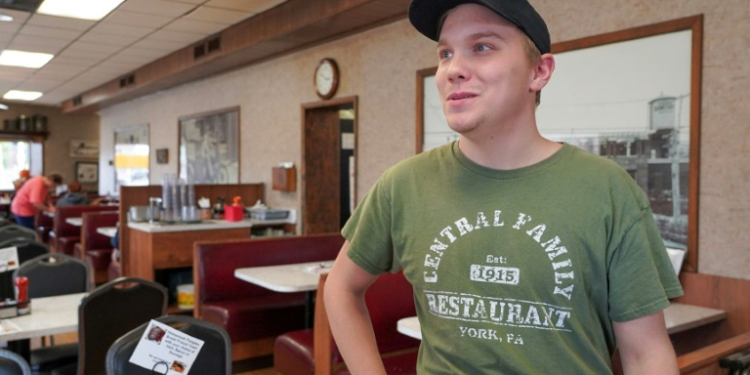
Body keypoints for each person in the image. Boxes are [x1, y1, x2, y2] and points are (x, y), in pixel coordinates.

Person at [323, 1, 683, 374]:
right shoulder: (403, 185)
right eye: (446, 53)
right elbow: (340, 288)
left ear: (539, 71)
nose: (453, 70)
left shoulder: (607, 190)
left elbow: (646, 354)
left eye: (481, 47)